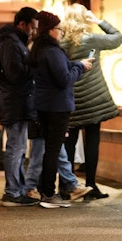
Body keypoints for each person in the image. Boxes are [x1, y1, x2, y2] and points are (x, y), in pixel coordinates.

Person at [59, 3, 122, 201]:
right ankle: (90, 184)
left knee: (69, 143)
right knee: (92, 142)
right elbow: (118, 38)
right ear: (83, 19)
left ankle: (67, 186)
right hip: (94, 100)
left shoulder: (61, 44)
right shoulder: (91, 39)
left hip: (72, 100)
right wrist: (98, 21)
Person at [28, 11, 93, 209]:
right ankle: (48, 193)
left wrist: (75, 64)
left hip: (44, 105)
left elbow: (58, 71)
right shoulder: (52, 51)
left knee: (51, 149)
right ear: (50, 31)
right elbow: (64, 79)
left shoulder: (39, 49)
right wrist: (80, 68)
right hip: (57, 106)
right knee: (53, 150)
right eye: (59, 29)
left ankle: (47, 189)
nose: (61, 33)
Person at [0, 6, 37, 206]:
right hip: (15, 99)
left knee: (18, 147)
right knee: (15, 147)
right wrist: (35, 67)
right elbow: (15, 73)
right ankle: (12, 191)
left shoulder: (12, 41)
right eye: (32, 27)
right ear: (22, 24)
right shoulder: (11, 43)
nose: (33, 31)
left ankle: (17, 190)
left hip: (15, 99)